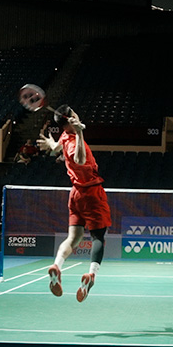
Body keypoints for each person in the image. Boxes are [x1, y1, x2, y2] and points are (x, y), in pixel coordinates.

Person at [37, 107, 111, 302]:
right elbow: (79, 159)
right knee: (98, 237)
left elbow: (55, 149)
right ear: (71, 119)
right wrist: (79, 132)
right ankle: (91, 274)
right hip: (92, 194)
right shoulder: (73, 140)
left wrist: (51, 143)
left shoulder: (64, 135)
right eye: (75, 114)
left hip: (75, 194)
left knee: (74, 237)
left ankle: (57, 266)